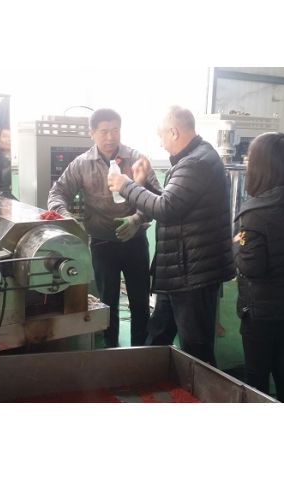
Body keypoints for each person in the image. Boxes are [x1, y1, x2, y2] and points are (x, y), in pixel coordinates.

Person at [107, 105, 235, 366]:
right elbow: (174, 203)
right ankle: (146, 381)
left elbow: (166, 208)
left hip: (192, 274)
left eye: (161, 135)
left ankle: (204, 388)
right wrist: (142, 183)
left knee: (196, 348)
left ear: (174, 132)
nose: (160, 143)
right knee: (158, 335)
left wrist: (126, 185)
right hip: (179, 271)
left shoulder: (195, 163)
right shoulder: (193, 159)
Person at [47, 108, 160, 348]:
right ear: (92, 134)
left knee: (140, 301)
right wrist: (69, 220)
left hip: (135, 241)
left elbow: (157, 199)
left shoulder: (136, 160)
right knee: (107, 303)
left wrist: (137, 219)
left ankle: (141, 352)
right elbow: (57, 193)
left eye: (115, 130)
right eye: (104, 131)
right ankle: (111, 351)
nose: (110, 137)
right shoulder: (82, 164)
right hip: (101, 244)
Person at [233, 132, 284, 402]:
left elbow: (252, 267)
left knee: (256, 373)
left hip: (263, 309)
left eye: (250, 159)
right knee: (283, 366)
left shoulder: (256, 213)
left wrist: (237, 246)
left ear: (261, 166)